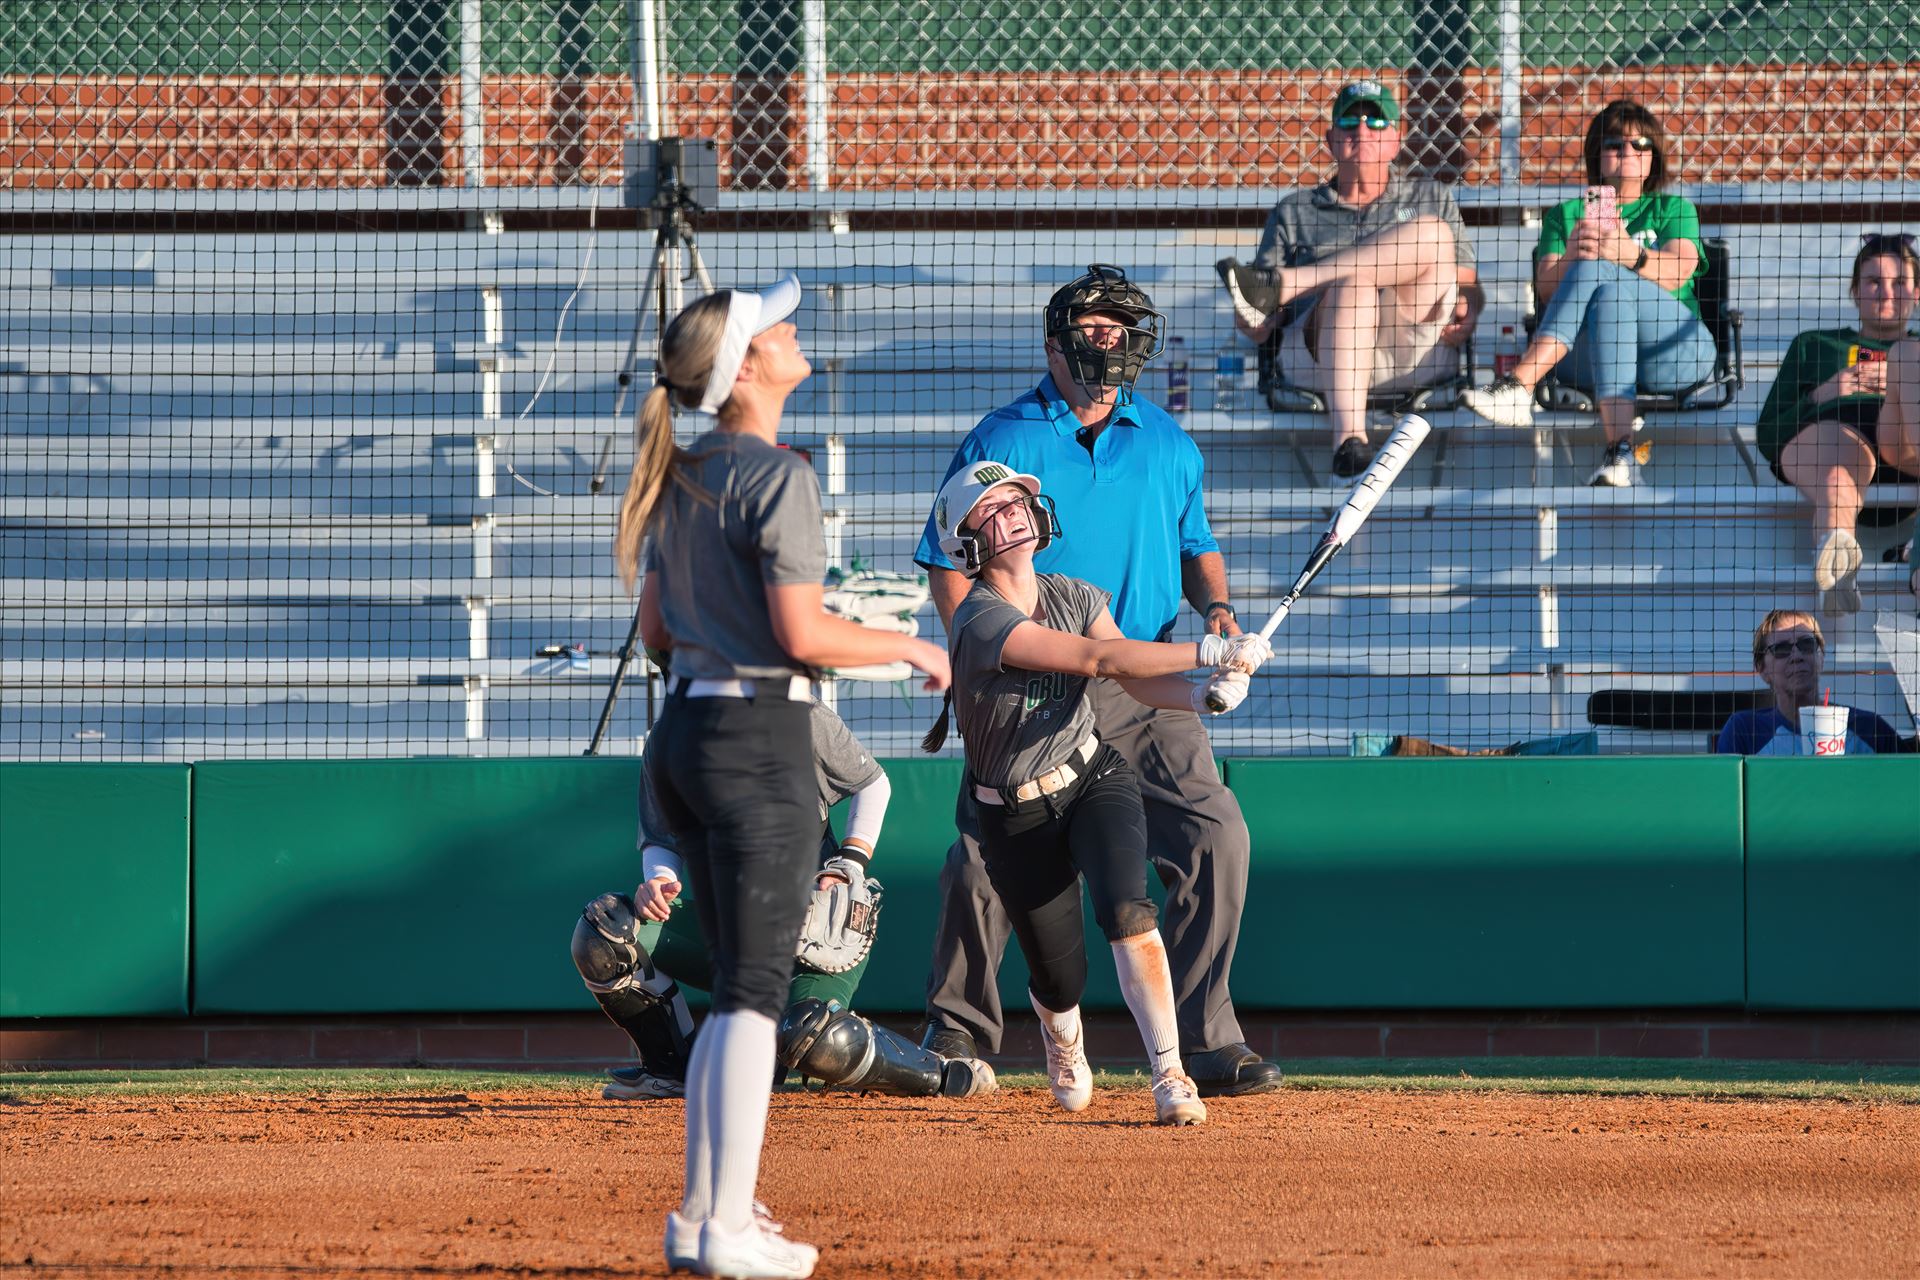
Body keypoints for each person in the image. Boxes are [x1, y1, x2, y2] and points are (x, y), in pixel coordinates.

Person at [616, 274, 949, 1280]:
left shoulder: (681, 469)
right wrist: (909, 645)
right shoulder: (776, 474)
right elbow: (804, 633)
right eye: (774, 327)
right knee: (754, 998)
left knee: (736, 993)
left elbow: (658, 629)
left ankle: (706, 1216)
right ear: (748, 367)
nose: (792, 330)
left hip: (686, 730)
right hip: (758, 737)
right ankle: (721, 1226)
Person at [912, 264, 1285, 1100]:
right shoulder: (1003, 438)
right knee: (980, 859)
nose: (1110, 338)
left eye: (1122, 325)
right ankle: (957, 1031)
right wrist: (976, 659)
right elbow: (946, 560)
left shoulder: (1168, 442)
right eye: (1094, 325)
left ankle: (1208, 1041)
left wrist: (1219, 613)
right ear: (1057, 343)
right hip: (1033, 686)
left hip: (1141, 673)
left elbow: (1196, 545)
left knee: (1216, 834)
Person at [923, 460, 1268, 1123]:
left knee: (1128, 909)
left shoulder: (1076, 595)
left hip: (1092, 777)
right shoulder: (979, 619)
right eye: (992, 508)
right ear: (967, 543)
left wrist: (1200, 695)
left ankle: (1170, 1075)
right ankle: (1063, 1037)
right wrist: (1211, 651)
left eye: (1017, 500)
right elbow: (1098, 660)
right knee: (1060, 980)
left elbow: (1132, 679)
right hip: (1015, 815)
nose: (1013, 510)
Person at [571, 695, 996, 1105]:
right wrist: (661, 881)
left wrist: (849, 863)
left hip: (814, 934)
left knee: (813, 1035)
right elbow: (662, 838)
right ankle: (672, 1071)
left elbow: (873, 784)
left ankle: (941, 1075)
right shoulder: (669, 736)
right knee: (606, 931)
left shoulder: (799, 714)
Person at [1217, 80, 1481, 478]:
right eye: (1349, 121)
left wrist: (1468, 307)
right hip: (1319, 355)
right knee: (1353, 287)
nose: (1362, 129)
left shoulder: (1431, 198)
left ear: (1396, 139)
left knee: (1433, 232)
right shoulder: (1294, 211)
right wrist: (1256, 321)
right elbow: (1264, 324)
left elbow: (1466, 286)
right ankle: (1349, 442)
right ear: (1330, 139)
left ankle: (1285, 284)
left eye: (1375, 121)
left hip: (1413, 348)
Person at [1461, 99, 1716, 487]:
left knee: (1601, 271)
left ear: (1654, 157)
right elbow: (1546, 289)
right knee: (1605, 286)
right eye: (1614, 143)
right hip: (1585, 358)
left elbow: (1678, 271)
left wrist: (1630, 255)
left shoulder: (1673, 209)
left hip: (1673, 352)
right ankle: (1621, 453)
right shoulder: (1567, 215)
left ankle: (1519, 385)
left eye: (1640, 144)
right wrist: (1571, 257)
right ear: (1598, 154)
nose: (1627, 151)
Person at [1755, 234, 1920, 616]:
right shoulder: (1814, 344)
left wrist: (1898, 383)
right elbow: (1767, 435)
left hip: (1904, 447)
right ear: (1855, 291)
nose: (1887, 293)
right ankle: (1837, 563)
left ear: (1917, 292)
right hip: (1838, 443)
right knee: (1838, 464)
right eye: (1874, 281)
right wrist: (1825, 393)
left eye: (1899, 282)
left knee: (1908, 354)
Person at [1713, 609, 1904, 755]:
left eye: (1807, 644)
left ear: (1822, 657)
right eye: (1781, 649)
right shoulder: (1745, 731)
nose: (1796, 656)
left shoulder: (1870, 729)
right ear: (1762, 669)